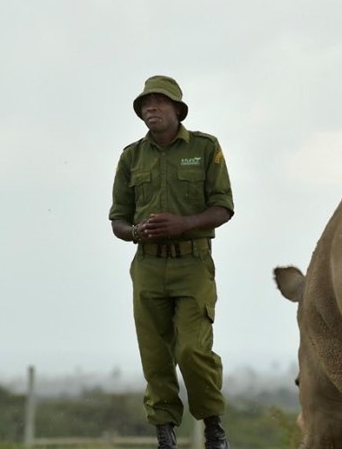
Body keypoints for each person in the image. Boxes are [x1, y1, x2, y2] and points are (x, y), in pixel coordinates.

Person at [109, 75, 234, 449]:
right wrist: (134, 232)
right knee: (155, 355)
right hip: (147, 266)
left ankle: (213, 426)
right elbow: (117, 219)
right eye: (145, 104)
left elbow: (224, 207)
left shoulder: (205, 148)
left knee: (193, 350)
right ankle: (165, 435)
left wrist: (185, 223)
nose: (151, 108)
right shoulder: (131, 156)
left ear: (177, 109)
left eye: (159, 102)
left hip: (193, 264)